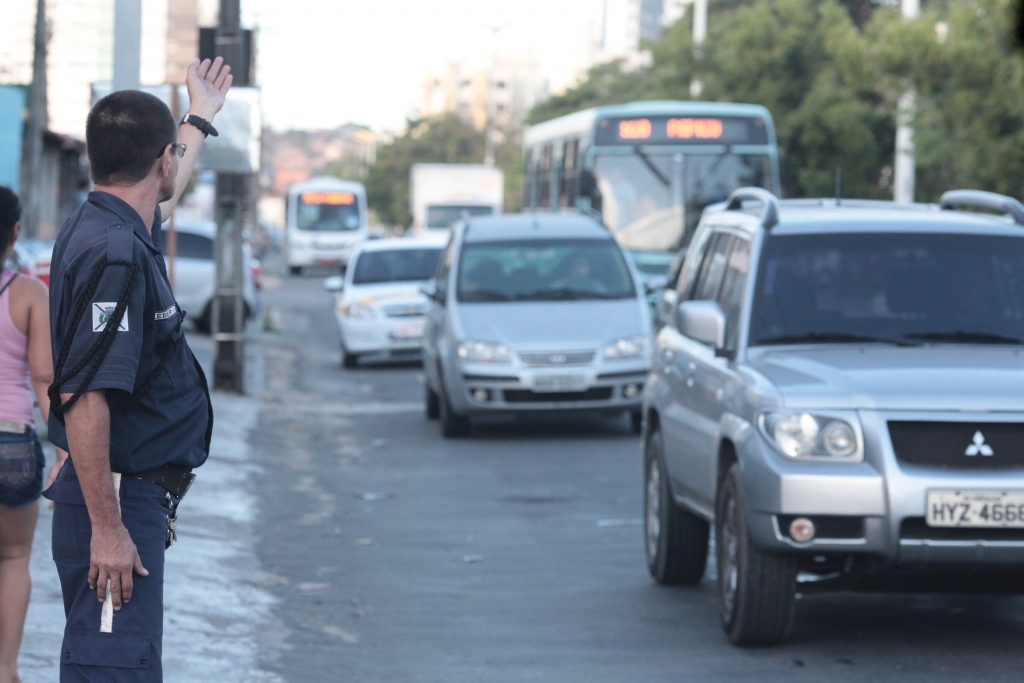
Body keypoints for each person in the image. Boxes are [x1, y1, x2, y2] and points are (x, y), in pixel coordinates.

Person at [42, 57, 230, 682]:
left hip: (126, 495)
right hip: (117, 497)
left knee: (126, 662)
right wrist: (108, 529)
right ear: (161, 161)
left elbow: (166, 184)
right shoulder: (115, 252)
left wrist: (198, 116)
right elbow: (86, 397)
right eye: (174, 151)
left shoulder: (114, 223)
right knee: (112, 668)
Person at [0, 186, 66, 683]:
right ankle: (5, 670)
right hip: (13, 445)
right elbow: (44, 379)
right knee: (14, 556)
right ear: (15, 233)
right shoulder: (27, 295)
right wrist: (66, 450)